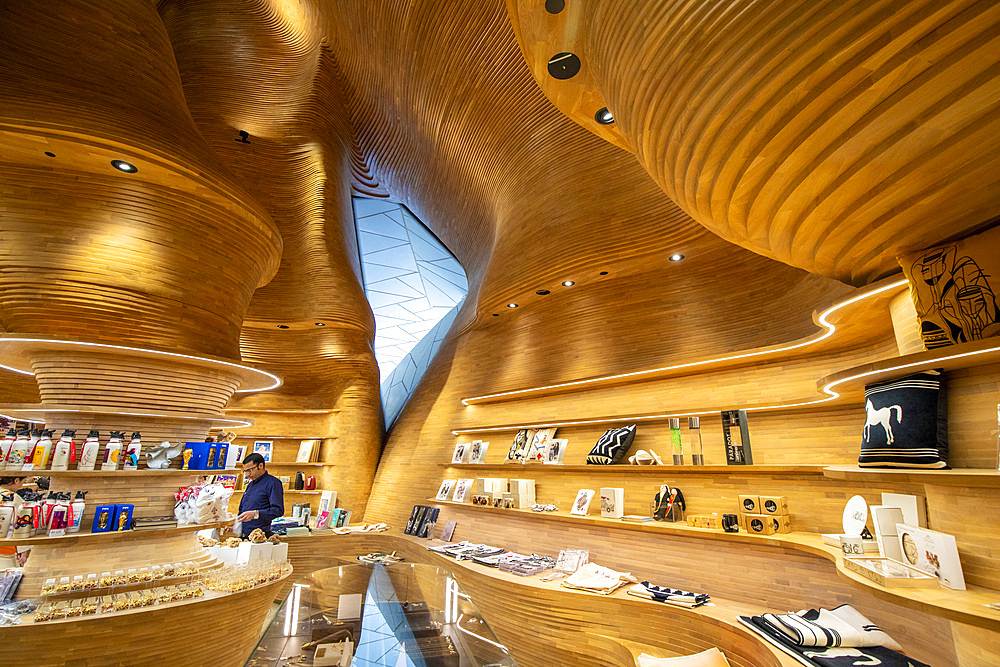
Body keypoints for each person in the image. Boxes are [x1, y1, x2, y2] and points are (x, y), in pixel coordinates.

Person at [235, 453, 284, 537]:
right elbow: (242, 509)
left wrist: (255, 514)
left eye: (250, 470)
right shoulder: (250, 485)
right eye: (245, 471)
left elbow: (278, 510)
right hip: (245, 535)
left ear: (260, 466)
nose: (247, 474)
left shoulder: (273, 483)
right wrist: (234, 524)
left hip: (261, 536)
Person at [0, 476, 30, 567]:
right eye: (22, 482)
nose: (21, 486)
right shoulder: (14, 498)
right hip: (6, 550)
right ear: (16, 480)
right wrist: (23, 550)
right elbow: (21, 525)